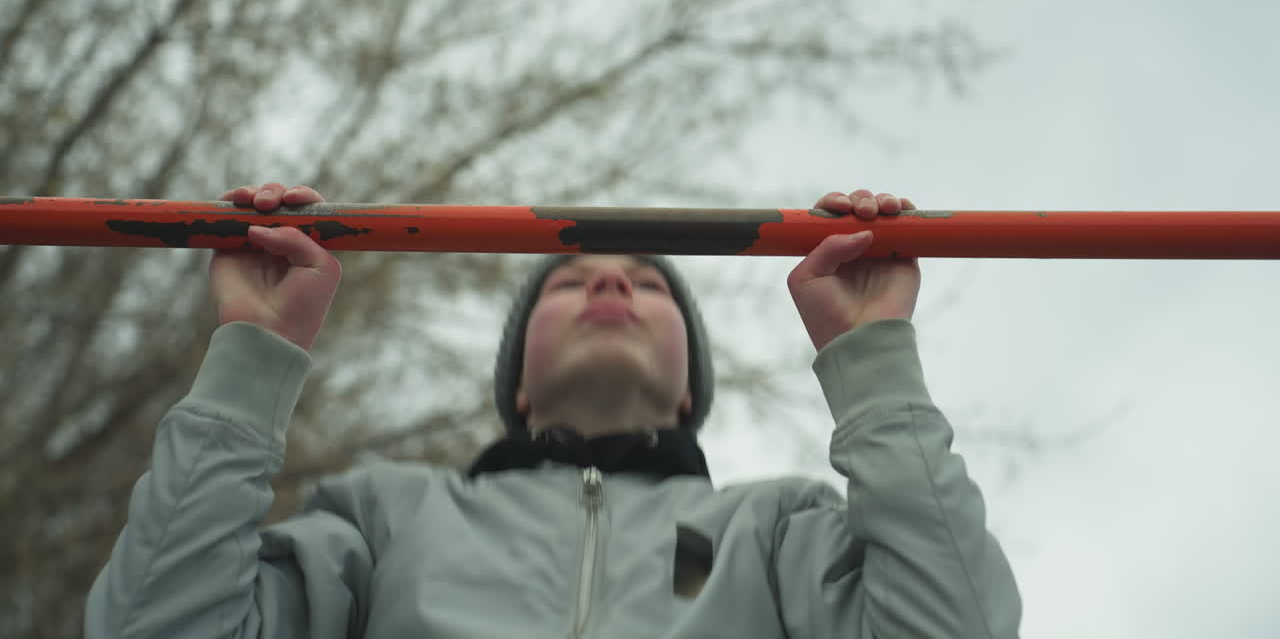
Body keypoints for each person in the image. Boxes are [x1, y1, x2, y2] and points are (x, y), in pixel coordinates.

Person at [86, 183, 1022, 638]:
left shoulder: (777, 529)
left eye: (647, 284)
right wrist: (255, 354)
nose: (610, 277)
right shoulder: (383, 519)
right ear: (519, 385)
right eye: (567, 280)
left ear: (688, 385)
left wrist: (871, 357)